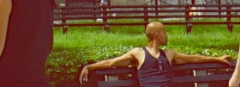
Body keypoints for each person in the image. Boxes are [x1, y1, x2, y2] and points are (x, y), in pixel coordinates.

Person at [78, 21, 232, 85]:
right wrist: (89, 67)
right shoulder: (138, 53)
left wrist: (217, 58)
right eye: (164, 32)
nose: (167, 35)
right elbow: (111, 62)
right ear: (157, 34)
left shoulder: (169, 54)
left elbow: (194, 58)